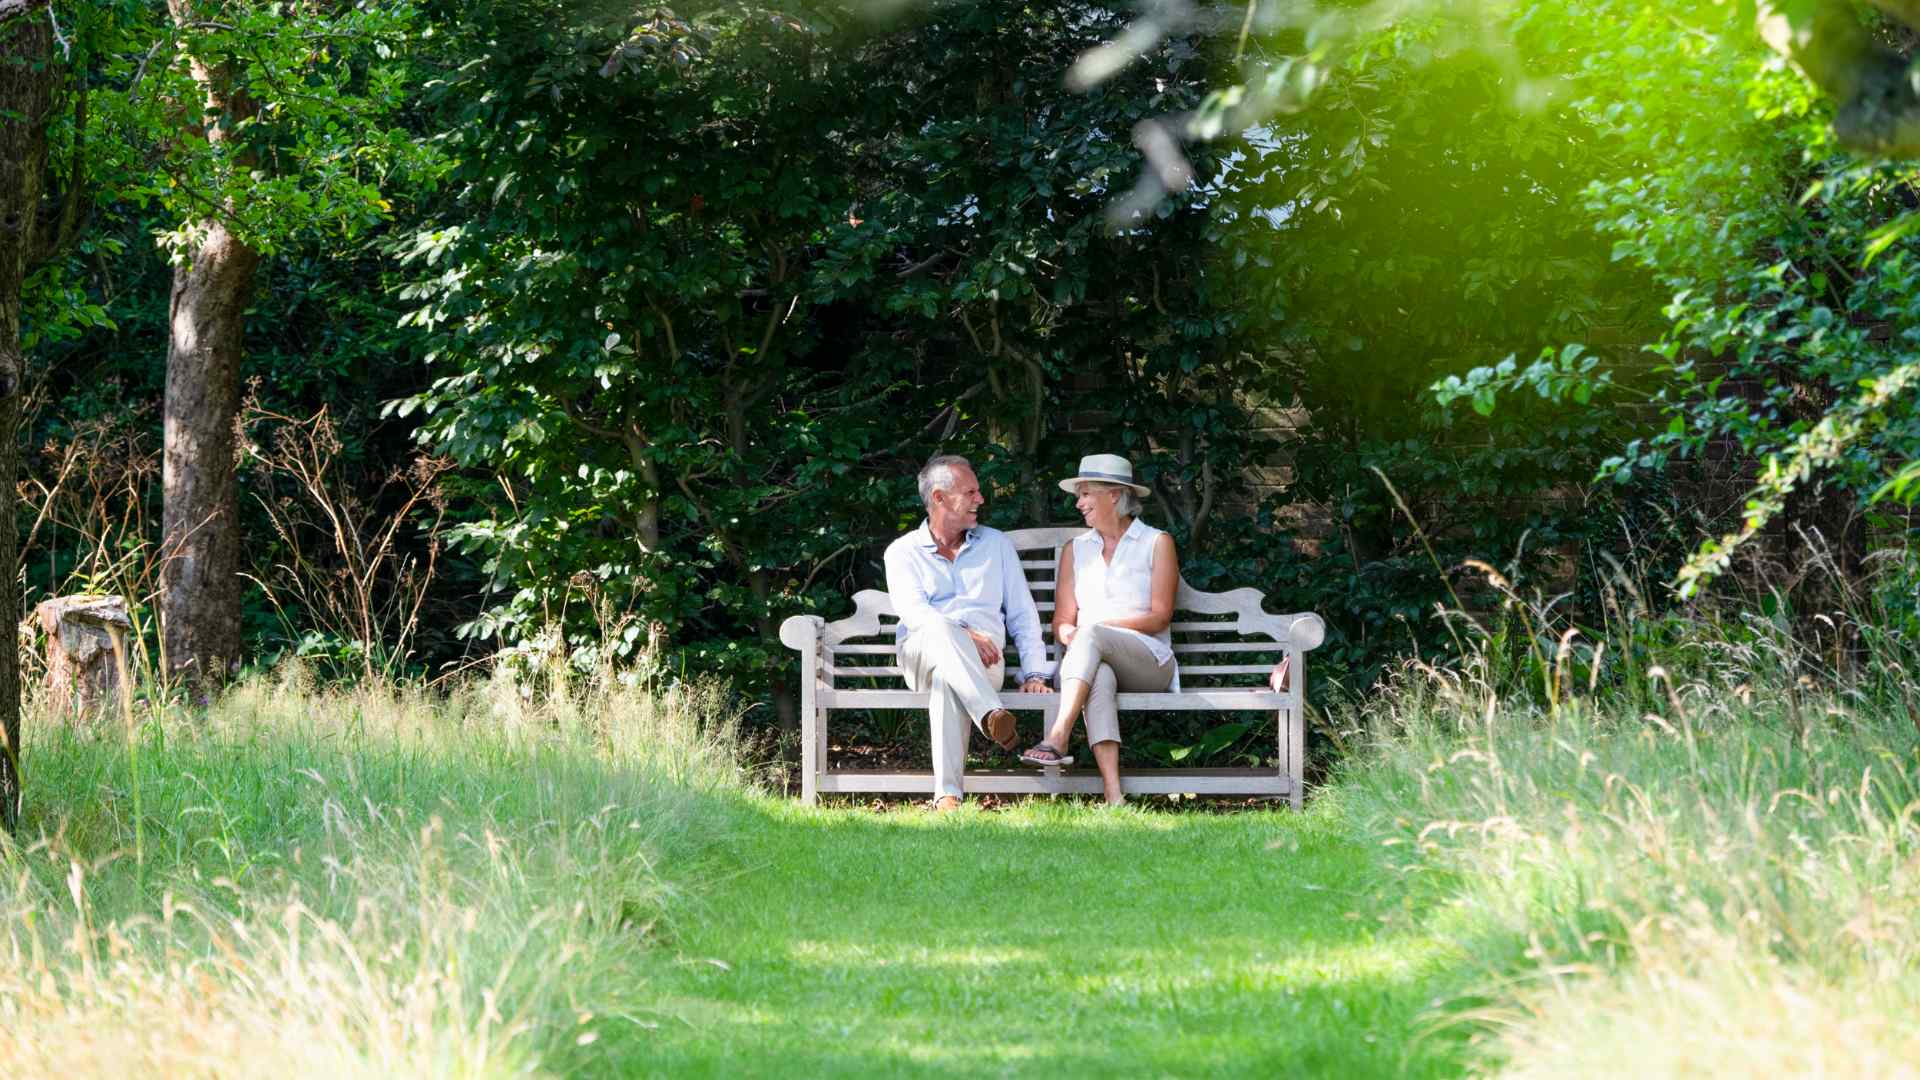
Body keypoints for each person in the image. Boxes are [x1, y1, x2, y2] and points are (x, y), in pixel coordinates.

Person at [884, 454, 1052, 812]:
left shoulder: (996, 545)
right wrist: (964, 634)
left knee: (948, 681)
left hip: (984, 661)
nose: (981, 499)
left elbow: (1022, 613)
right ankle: (990, 713)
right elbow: (914, 614)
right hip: (921, 654)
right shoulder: (902, 552)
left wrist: (1035, 673)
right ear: (939, 498)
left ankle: (948, 796)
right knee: (939, 627)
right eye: (970, 492)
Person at [1020, 454, 1177, 806]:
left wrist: (1095, 630)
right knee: (1099, 676)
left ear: (1115, 495)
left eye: (1086, 493)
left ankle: (1058, 735)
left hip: (1149, 661)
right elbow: (1062, 621)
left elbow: (1160, 617)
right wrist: (1070, 635)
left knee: (1091, 634)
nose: (1079, 503)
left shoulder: (1156, 542)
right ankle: (1113, 793)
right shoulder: (1076, 550)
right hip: (1090, 661)